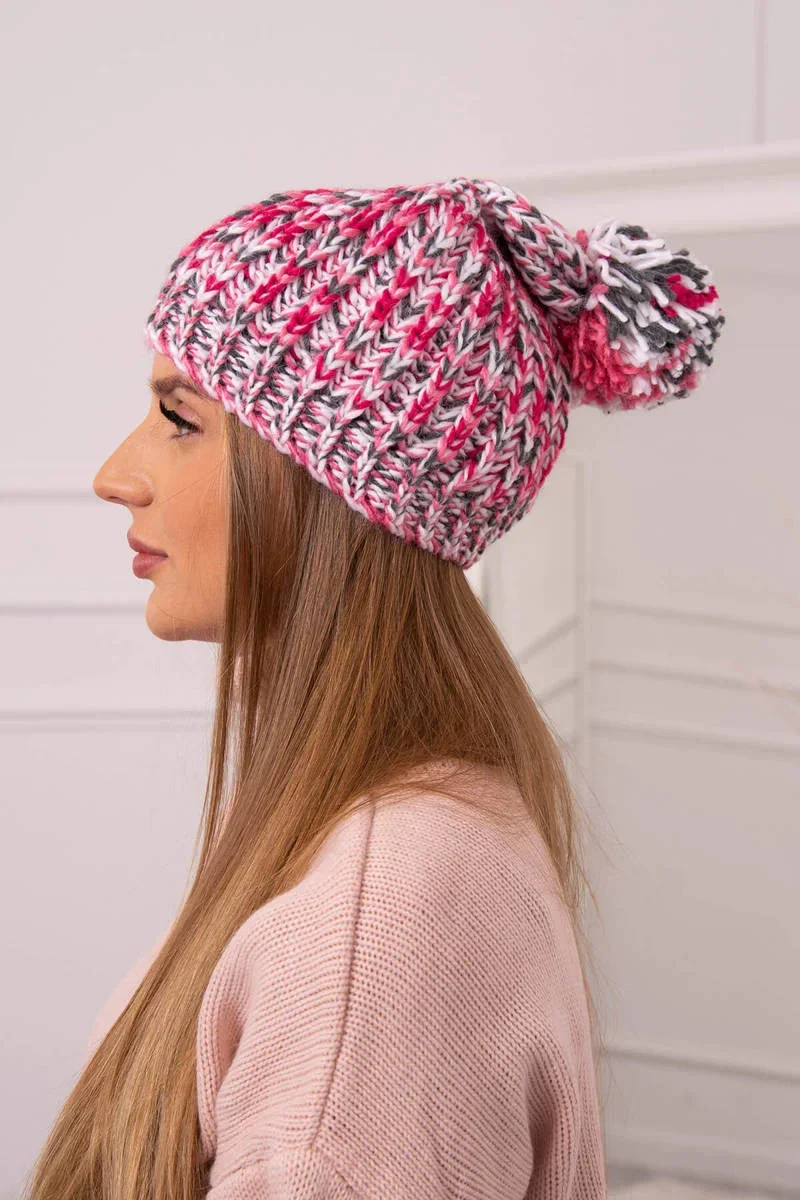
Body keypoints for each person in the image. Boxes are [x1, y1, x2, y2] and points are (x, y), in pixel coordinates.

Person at [23, 177, 725, 1200]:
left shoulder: (375, 926)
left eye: (180, 419)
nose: (114, 475)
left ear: (330, 488)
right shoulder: (392, 831)